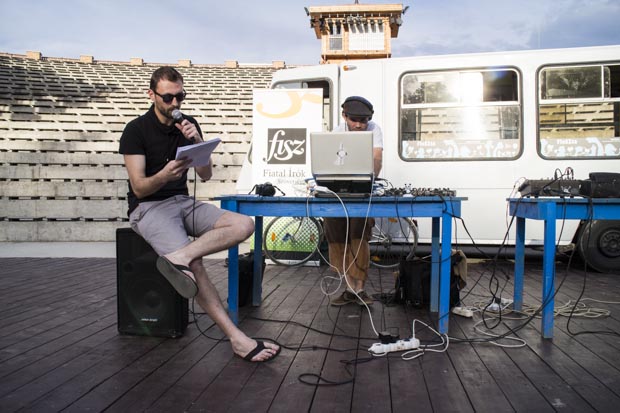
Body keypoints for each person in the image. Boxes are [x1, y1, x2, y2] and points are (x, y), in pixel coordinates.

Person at [119, 66, 279, 362]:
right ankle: (237, 339)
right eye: (168, 97)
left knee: (243, 224)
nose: (175, 103)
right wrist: (165, 175)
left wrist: (196, 142)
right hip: (148, 207)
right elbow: (139, 188)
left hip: (182, 201)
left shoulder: (189, 123)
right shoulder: (135, 130)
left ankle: (177, 258)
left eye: (180, 96)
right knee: (195, 264)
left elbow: (205, 174)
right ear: (151, 95)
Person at [325, 96, 383, 306]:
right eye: (354, 120)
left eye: (363, 120)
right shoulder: (336, 133)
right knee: (336, 238)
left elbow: (377, 157)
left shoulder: (374, 129)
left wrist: (370, 178)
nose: (359, 125)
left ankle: (360, 289)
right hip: (337, 193)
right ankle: (350, 289)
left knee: (360, 237)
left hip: (362, 192)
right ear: (344, 116)